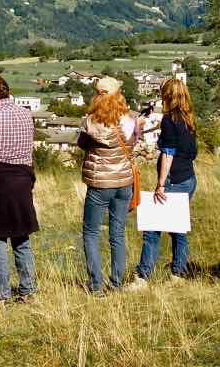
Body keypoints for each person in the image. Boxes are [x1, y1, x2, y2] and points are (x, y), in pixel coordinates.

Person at [78, 76, 142, 294]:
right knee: (117, 233)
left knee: (91, 232)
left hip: (99, 183)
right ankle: (116, 283)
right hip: (124, 182)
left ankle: (96, 284)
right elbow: (133, 143)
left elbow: (82, 144)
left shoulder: (90, 122)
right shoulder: (129, 120)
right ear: (118, 96)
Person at [131, 77, 198, 284]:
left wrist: (161, 184)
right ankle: (178, 272)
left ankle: (143, 276)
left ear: (167, 96)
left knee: (152, 230)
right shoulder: (188, 118)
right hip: (188, 177)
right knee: (178, 229)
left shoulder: (169, 120)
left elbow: (168, 153)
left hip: (173, 179)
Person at [0, 75, 39, 304]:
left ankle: (2, 293)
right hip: (23, 179)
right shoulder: (25, 114)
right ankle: (28, 290)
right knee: (21, 237)